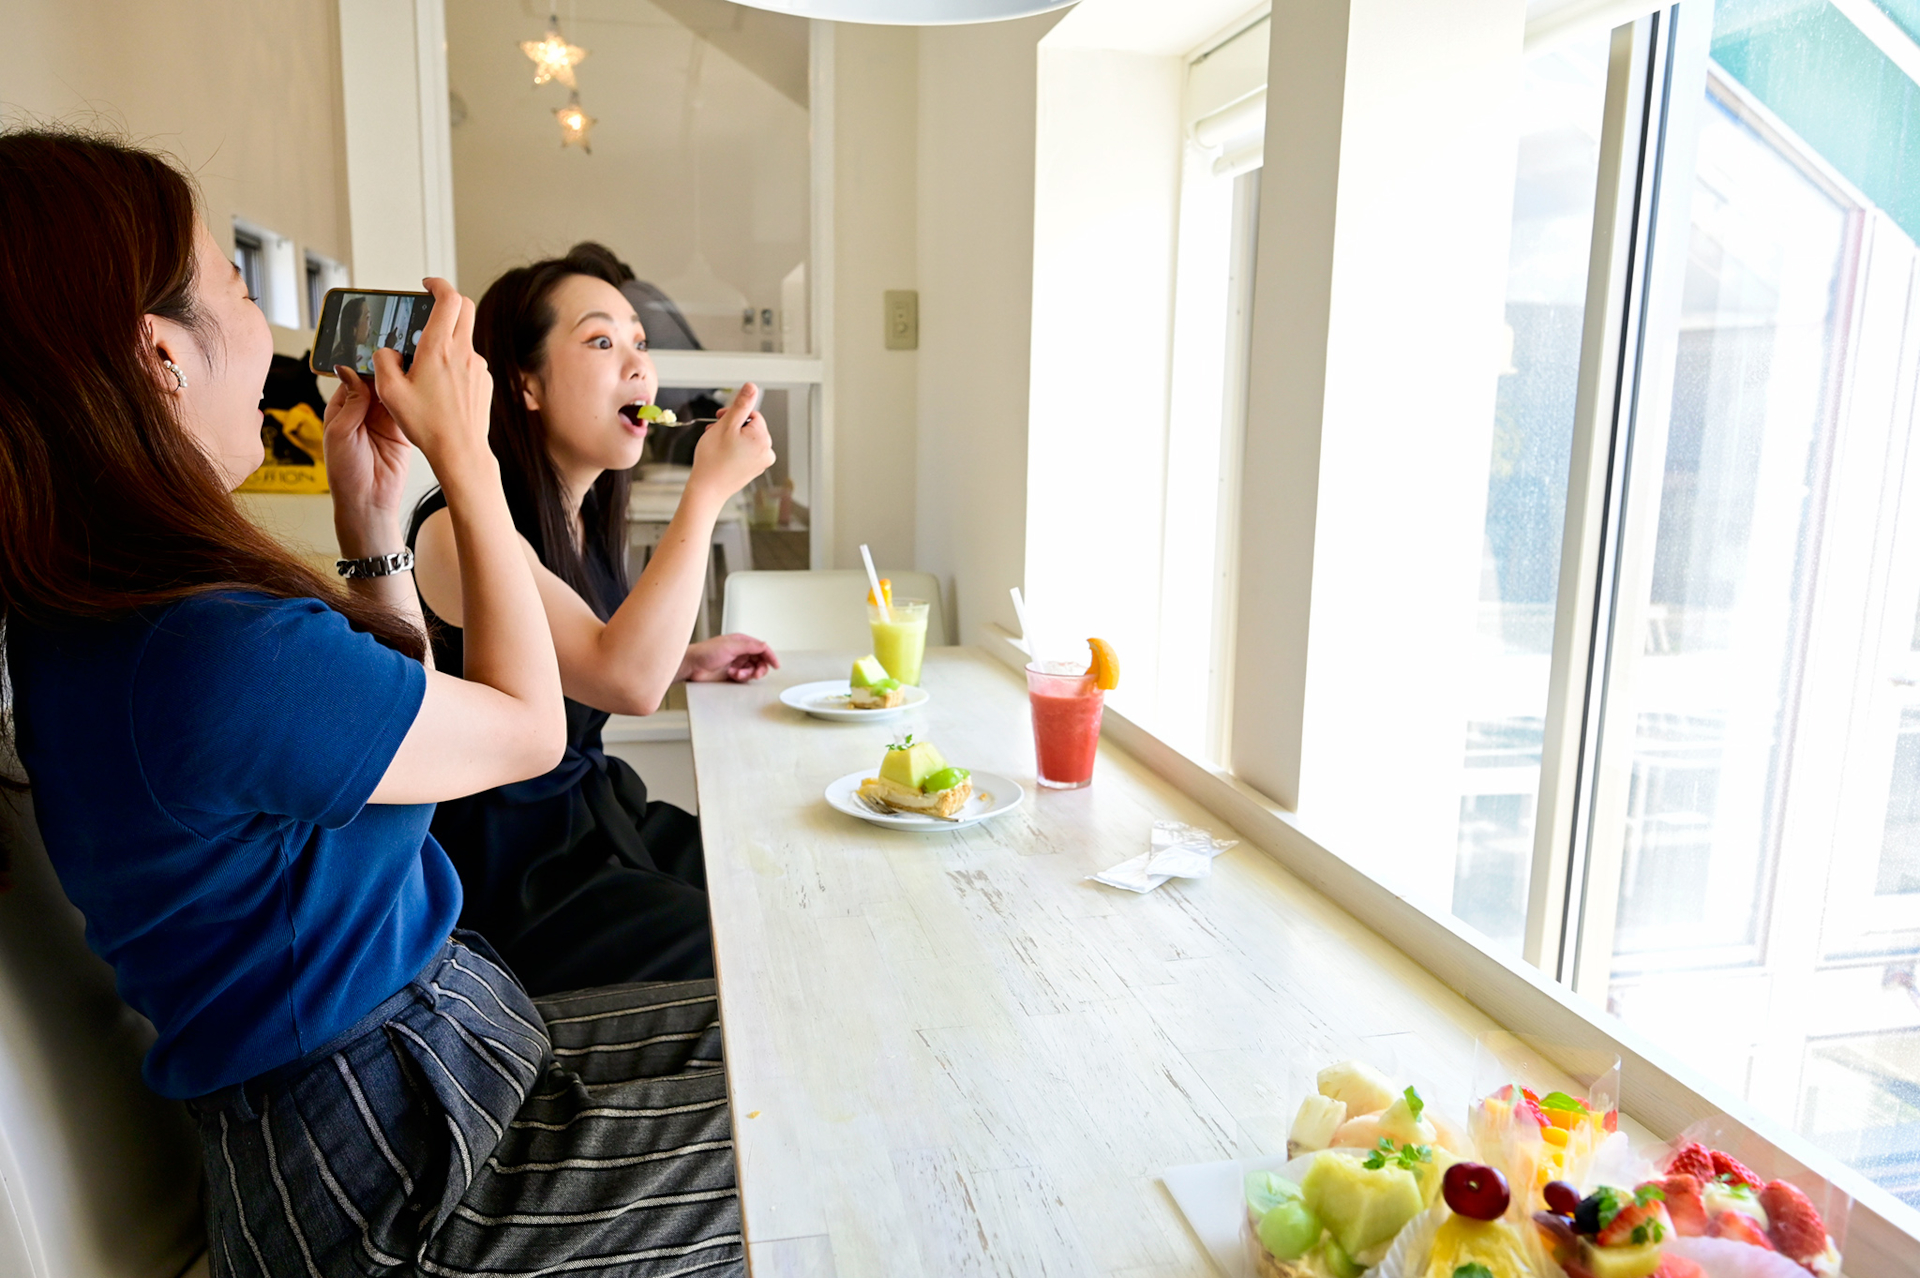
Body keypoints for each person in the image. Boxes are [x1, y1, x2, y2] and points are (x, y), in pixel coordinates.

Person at [0, 130, 743, 1278]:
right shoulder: (199, 648)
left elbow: (391, 727)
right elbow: (528, 728)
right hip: (391, 1176)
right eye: (239, 289)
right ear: (159, 354)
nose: (270, 333)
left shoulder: (121, 620)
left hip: (438, 1068)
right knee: (834, 1095)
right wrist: (467, 459)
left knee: (798, 1030)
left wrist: (371, 525)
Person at [407, 242, 777, 995]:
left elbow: (581, 659)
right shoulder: (459, 530)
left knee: (772, 882)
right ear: (527, 385)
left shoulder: (577, 519)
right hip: (523, 872)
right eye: (602, 341)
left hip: (592, 813)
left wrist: (686, 657)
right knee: (748, 952)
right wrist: (706, 495)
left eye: (641, 343)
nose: (639, 365)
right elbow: (623, 678)